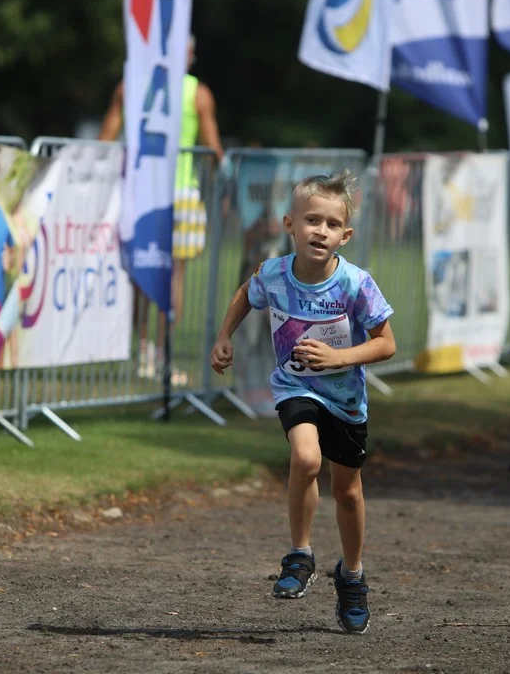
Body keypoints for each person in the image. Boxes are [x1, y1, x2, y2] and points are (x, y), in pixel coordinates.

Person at [210, 170, 396, 635]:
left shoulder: (355, 284)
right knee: (305, 457)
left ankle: (351, 576)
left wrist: (340, 356)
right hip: (296, 388)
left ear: (345, 235)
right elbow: (245, 295)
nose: (321, 231)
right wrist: (223, 337)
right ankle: (300, 554)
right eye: (312, 220)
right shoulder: (273, 273)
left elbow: (386, 344)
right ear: (289, 223)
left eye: (332, 225)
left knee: (348, 491)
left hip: (346, 400)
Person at [99, 34, 224, 385]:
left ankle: (147, 351)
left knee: (147, 276)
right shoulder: (196, 93)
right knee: (170, 277)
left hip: (145, 193)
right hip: (176, 192)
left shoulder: (132, 87)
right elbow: (213, 148)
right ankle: (158, 352)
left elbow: (105, 140)